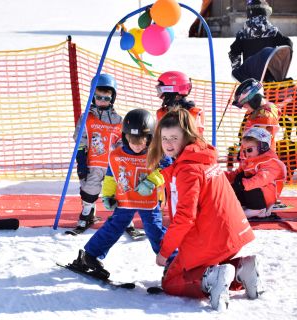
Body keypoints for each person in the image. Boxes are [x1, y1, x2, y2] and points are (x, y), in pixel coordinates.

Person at [147, 108, 259, 312]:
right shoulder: (202, 156)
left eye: (174, 137)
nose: (168, 144)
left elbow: (185, 217)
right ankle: (242, 269)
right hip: (234, 233)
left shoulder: (187, 170)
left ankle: (212, 279)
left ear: (187, 137)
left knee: (171, 281)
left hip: (211, 238)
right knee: (207, 265)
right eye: (164, 138)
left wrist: (164, 252)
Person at [71, 109, 167, 273]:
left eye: (141, 141)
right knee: (113, 227)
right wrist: (108, 195)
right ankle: (90, 257)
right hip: (125, 200)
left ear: (150, 138)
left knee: (155, 230)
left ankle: (172, 261)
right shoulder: (116, 155)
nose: (136, 145)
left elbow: (167, 170)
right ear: (125, 137)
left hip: (148, 202)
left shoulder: (157, 154)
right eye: (132, 140)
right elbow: (110, 176)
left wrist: (152, 181)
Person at [73, 73, 137, 234]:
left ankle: (125, 219)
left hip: (113, 165)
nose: (102, 101)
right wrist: (80, 160)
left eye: (107, 98)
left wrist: (124, 155)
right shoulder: (86, 117)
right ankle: (87, 213)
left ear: (112, 99)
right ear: (93, 97)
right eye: (99, 97)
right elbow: (80, 139)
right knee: (90, 189)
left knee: (120, 190)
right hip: (93, 162)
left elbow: (122, 141)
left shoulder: (118, 120)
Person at [225, 127, 286, 218]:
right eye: (244, 150)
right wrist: (221, 177)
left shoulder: (271, 162)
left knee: (248, 180)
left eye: (249, 150)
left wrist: (243, 184)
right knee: (238, 177)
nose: (247, 153)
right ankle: (244, 204)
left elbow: (262, 178)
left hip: (266, 197)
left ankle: (258, 209)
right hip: (252, 192)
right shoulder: (249, 161)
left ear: (262, 147)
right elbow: (235, 174)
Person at [228, 0, 293, 77]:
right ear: (264, 13)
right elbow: (288, 44)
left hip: (251, 78)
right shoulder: (272, 31)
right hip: (269, 75)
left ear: (249, 13)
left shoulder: (243, 34)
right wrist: (279, 67)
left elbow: (234, 52)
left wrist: (238, 72)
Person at [232, 78, 280, 152]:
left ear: (255, 99)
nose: (244, 107)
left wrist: (244, 151)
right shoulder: (256, 111)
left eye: (245, 103)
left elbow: (257, 141)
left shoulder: (264, 115)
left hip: (260, 159)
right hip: (254, 157)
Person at [155, 71, 205, 135]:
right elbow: (156, 140)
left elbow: (199, 142)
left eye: (160, 90)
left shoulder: (193, 114)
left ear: (176, 95)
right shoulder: (161, 114)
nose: (158, 95)